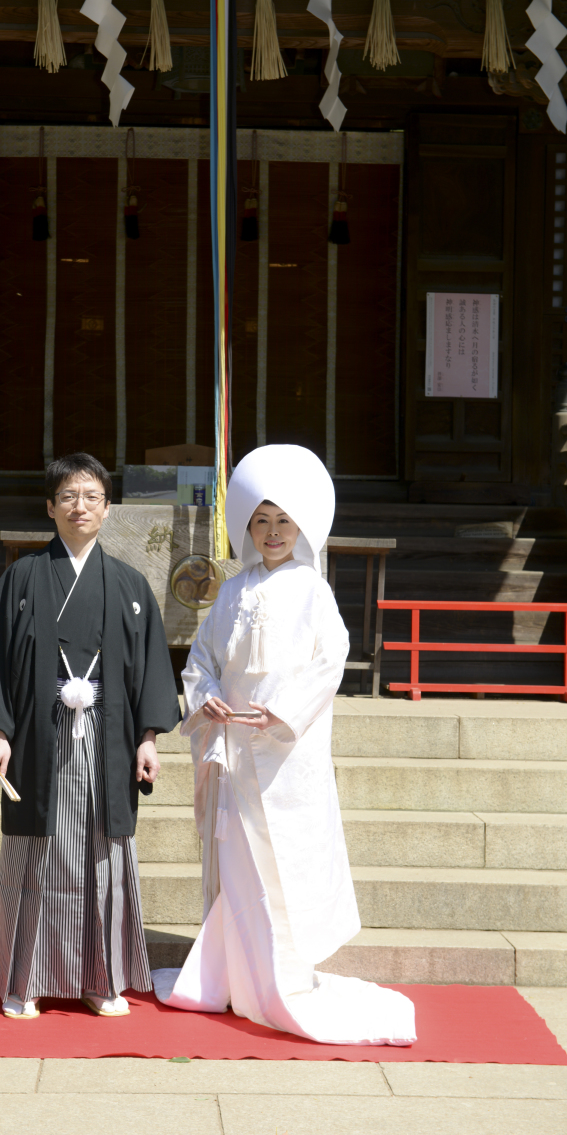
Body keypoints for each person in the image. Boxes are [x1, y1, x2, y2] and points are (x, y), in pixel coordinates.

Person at [153, 444, 416, 1046]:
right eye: (261, 522)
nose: (272, 533)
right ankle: (235, 977)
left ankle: (279, 981)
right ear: (248, 527)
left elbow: (332, 660)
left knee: (282, 867)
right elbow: (201, 658)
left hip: (283, 753)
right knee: (238, 867)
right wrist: (207, 697)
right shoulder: (230, 590)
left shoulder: (313, 589)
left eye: (283, 522)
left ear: (300, 528)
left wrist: (285, 713)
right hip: (233, 749)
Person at [0, 452, 180, 1020]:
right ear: (50, 507)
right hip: (37, 739)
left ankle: (100, 980)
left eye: (93, 497)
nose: (81, 506)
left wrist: (148, 738)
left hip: (108, 743)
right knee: (35, 860)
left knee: (102, 858)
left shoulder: (128, 585)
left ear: (107, 510)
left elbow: (149, 670)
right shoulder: (22, 578)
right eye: (69, 496)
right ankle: (22, 981)